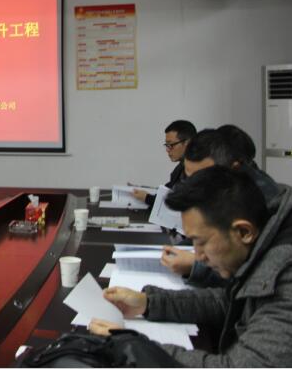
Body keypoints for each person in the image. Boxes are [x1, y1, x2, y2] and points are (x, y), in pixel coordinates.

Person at [89, 166, 292, 367]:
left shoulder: (285, 278)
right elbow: (229, 302)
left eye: (201, 242)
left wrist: (133, 347)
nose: (198, 256)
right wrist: (148, 303)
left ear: (244, 232)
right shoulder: (262, 246)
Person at [160, 127, 290, 283]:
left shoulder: (262, 203)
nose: (195, 187)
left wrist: (196, 265)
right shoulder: (229, 189)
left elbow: (253, 276)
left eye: (203, 178)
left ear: (232, 169)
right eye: (190, 178)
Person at [132, 120, 196, 205]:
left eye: (171, 145)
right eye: (166, 145)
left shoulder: (198, 171)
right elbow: (168, 190)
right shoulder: (181, 167)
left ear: (187, 143)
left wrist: (147, 198)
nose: (167, 150)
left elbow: (177, 203)